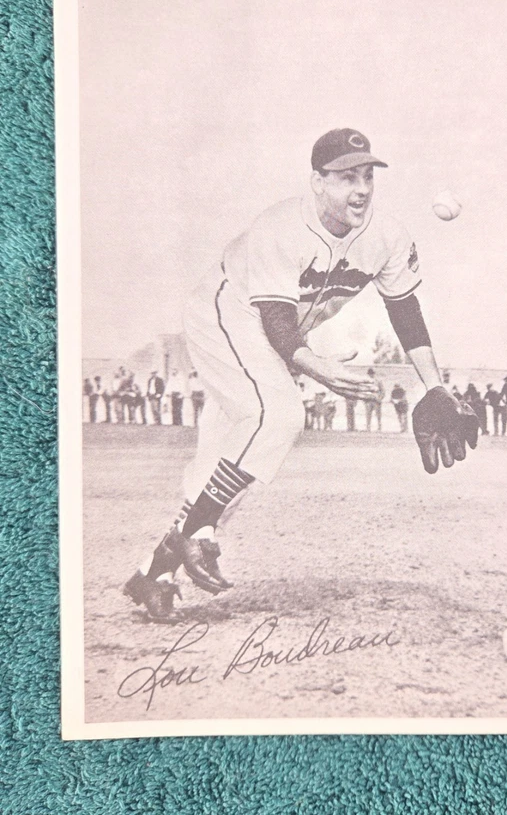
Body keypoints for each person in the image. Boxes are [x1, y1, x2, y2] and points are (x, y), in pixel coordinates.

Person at [124, 127, 479, 621]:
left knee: (233, 465)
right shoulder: (280, 226)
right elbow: (276, 323)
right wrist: (324, 371)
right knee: (279, 416)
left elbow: (405, 309)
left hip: (278, 336)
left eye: (367, 176)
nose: (361, 188)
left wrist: (433, 386)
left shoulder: (387, 235)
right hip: (227, 315)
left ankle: (154, 573)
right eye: (345, 177)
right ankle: (193, 532)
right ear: (317, 181)